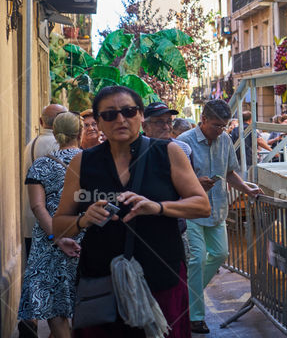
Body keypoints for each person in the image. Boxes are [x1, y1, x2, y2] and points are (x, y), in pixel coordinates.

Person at [53, 86, 210, 337]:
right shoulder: (82, 162)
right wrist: (83, 219)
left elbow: (202, 205)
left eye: (128, 111)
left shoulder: (167, 153)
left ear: (140, 116)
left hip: (161, 276)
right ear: (98, 122)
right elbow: (59, 226)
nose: (120, 119)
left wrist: (158, 207)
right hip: (102, 280)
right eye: (109, 114)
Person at [177, 99, 262, 334]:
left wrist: (247, 189)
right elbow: (174, 179)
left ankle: (186, 294)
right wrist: (196, 182)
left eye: (224, 126)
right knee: (196, 260)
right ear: (203, 120)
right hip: (192, 209)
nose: (220, 130)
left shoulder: (224, 139)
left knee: (221, 253)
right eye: (216, 125)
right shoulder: (183, 143)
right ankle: (195, 315)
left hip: (217, 208)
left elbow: (229, 171)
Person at [17, 112, 84, 338]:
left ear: (54, 133)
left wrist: (55, 237)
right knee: (84, 302)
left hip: (49, 242)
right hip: (85, 237)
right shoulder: (91, 162)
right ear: (81, 133)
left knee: (55, 307)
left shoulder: (41, 165)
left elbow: (37, 207)